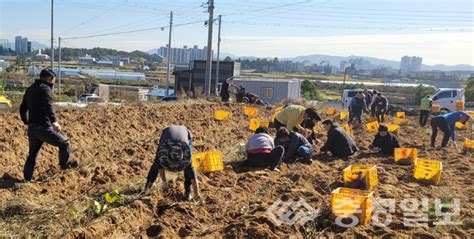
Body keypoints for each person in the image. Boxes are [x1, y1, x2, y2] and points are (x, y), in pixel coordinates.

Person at [19, 68, 78, 181]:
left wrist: (27, 121)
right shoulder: (45, 89)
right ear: (49, 78)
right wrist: (54, 122)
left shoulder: (30, 89)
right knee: (64, 143)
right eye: (54, 80)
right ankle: (64, 165)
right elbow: (48, 106)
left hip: (32, 128)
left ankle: (27, 180)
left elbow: (22, 108)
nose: (54, 83)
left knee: (32, 154)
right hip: (44, 128)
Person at [144, 125, 200, 201]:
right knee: (156, 165)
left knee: (188, 170)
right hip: (167, 134)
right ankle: (147, 189)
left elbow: (193, 177)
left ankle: (188, 193)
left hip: (186, 133)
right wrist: (164, 182)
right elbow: (159, 166)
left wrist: (197, 195)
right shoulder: (163, 152)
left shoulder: (186, 156)